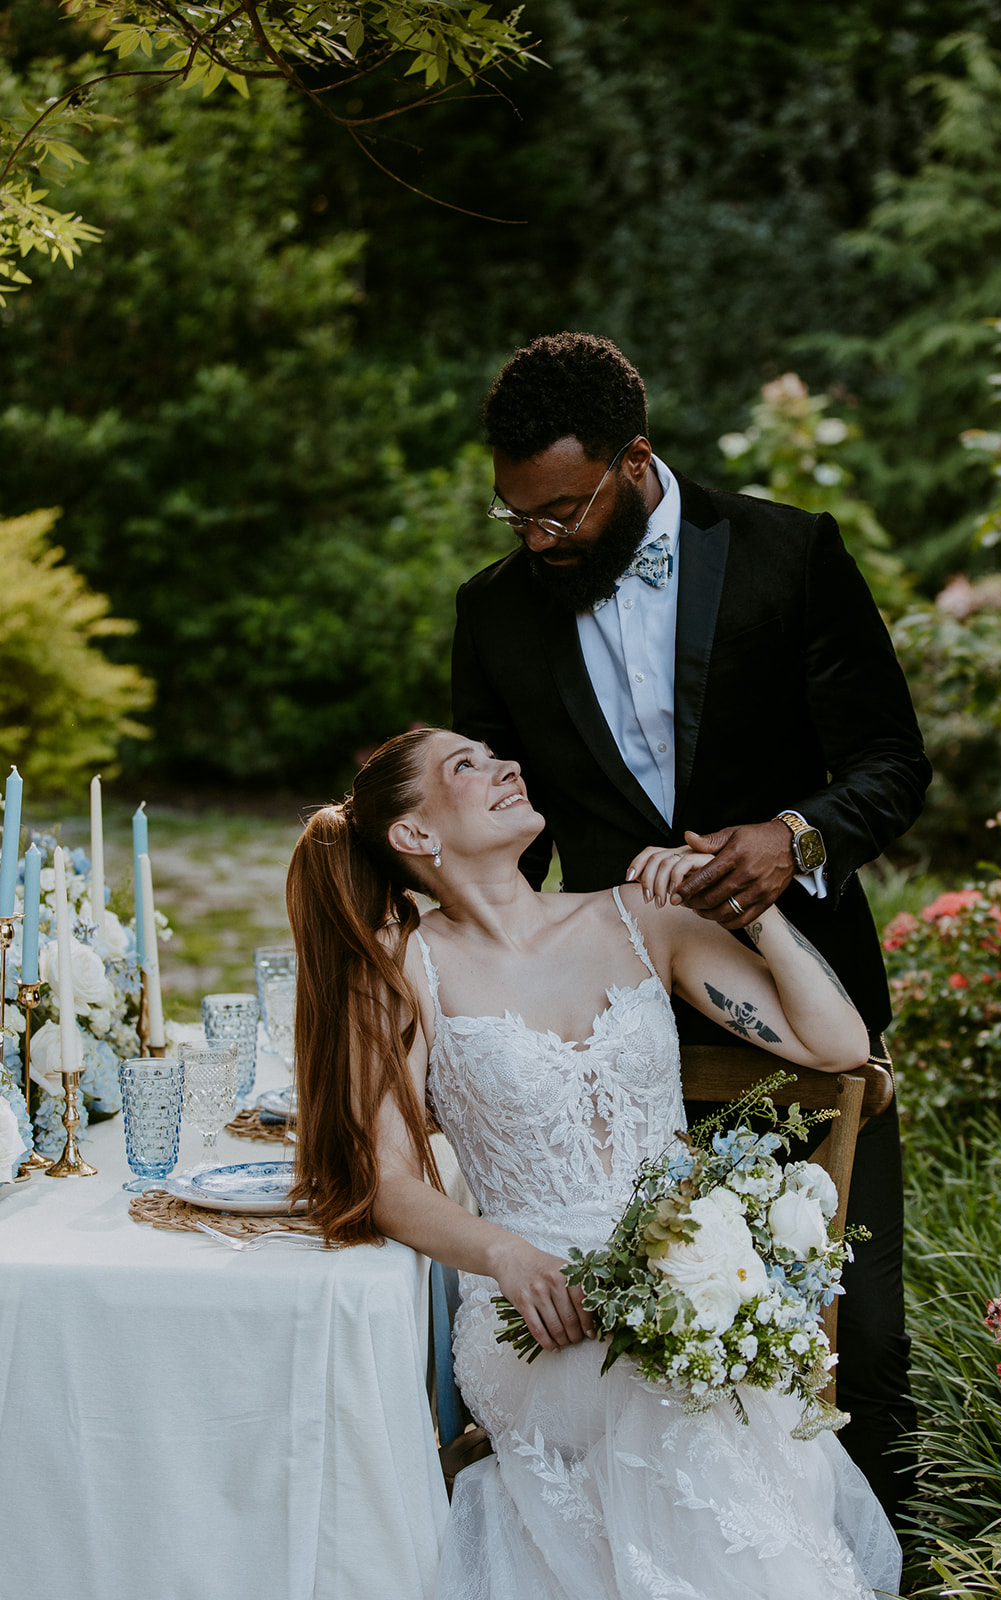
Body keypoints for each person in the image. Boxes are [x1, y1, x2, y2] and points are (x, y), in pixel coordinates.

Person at [451, 333, 932, 1523]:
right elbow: (498, 836)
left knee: (853, 1344)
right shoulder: (493, 613)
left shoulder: (785, 554)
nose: (539, 540)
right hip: (612, 1048)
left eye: (560, 511)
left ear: (634, 461)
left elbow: (890, 761)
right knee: (641, 1374)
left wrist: (793, 835)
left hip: (799, 1006)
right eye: (517, 517)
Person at [286, 727, 902, 1599]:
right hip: (529, 1311)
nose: (507, 767)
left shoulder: (642, 918)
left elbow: (837, 1047)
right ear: (414, 836)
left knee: (691, 1387)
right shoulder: (399, 969)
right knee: (669, 1395)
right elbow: (384, 1181)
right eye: (466, 766)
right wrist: (503, 1253)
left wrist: (746, 907)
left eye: (498, 755)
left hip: (690, 1277)